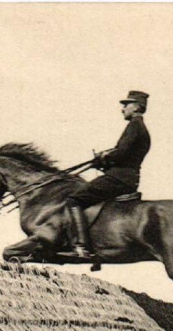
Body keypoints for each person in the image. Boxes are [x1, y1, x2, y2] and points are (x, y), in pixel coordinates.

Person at [64, 90, 151, 259]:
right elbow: (124, 153)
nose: (123, 109)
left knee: (73, 199)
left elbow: (122, 152)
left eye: (126, 105)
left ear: (136, 107)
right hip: (127, 177)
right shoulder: (139, 127)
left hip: (119, 178)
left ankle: (80, 246)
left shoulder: (134, 126)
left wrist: (104, 158)